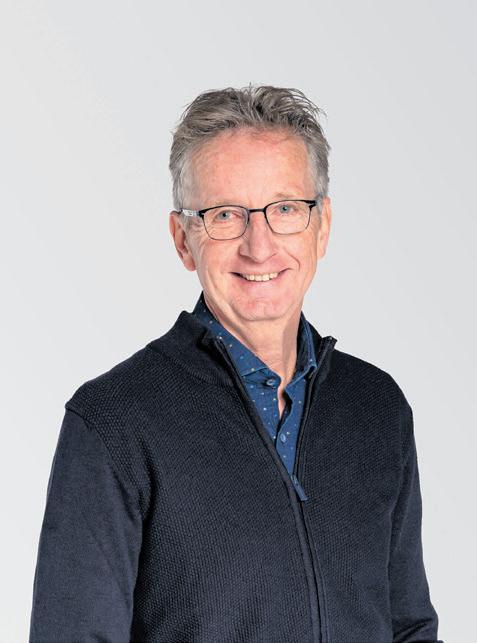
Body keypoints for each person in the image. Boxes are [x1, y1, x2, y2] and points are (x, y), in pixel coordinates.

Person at [29, 84, 442, 642]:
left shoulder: (376, 406)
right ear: (183, 239)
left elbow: (408, 625)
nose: (259, 246)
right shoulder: (114, 421)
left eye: (286, 209)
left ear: (321, 227)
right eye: (225, 215)